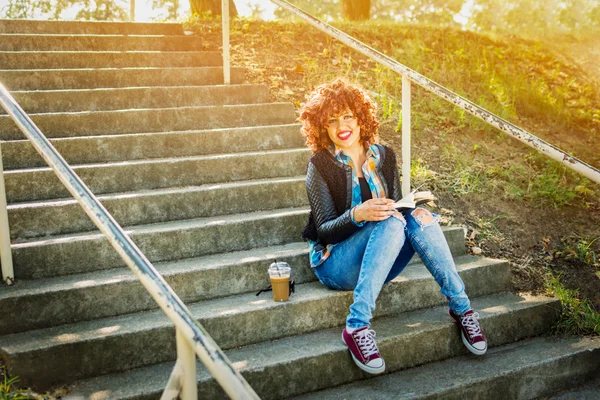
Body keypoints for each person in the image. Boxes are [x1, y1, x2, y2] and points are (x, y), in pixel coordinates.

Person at [298, 78, 487, 375]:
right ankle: (357, 326)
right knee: (389, 221)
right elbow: (324, 230)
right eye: (332, 120)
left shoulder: (385, 157)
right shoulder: (320, 164)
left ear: (361, 118)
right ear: (322, 127)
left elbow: (399, 209)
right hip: (336, 263)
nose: (341, 125)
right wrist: (358, 214)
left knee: (420, 217)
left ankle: (462, 308)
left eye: (348, 115)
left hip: (382, 258)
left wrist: (408, 209)